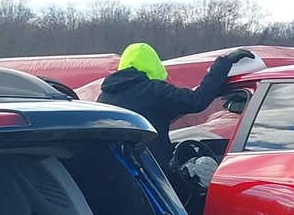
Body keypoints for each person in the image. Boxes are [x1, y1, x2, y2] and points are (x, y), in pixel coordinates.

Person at [98, 43, 255, 171]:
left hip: (117, 170)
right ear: (153, 65)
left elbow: (161, 113)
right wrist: (223, 64)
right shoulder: (152, 90)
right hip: (152, 171)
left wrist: (214, 89)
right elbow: (195, 101)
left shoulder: (105, 96)